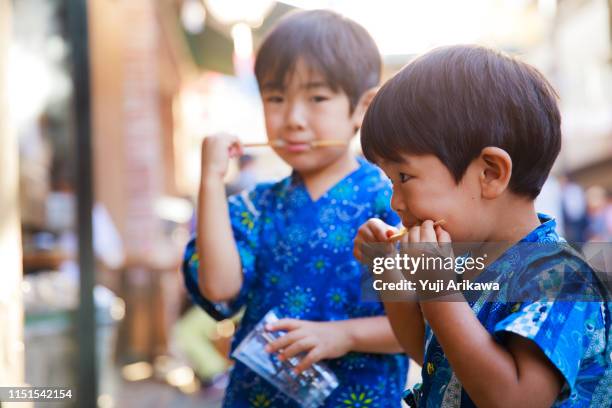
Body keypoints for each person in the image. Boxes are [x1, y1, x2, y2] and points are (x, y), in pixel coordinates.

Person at [354, 45, 611, 407]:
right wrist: (387, 269)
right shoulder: (465, 263)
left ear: (490, 173)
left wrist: (435, 287)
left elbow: (516, 400)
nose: (395, 201)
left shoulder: (559, 276)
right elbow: (424, 351)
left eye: (404, 176)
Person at [182, 10, 407, 407]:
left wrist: (344, 335)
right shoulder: (256, 205)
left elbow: (430, 324)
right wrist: (211, 181)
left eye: (317, 98)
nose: (293, 119)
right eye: (276, 98)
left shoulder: (398, 201)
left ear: (362, 108)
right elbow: (219, 289)